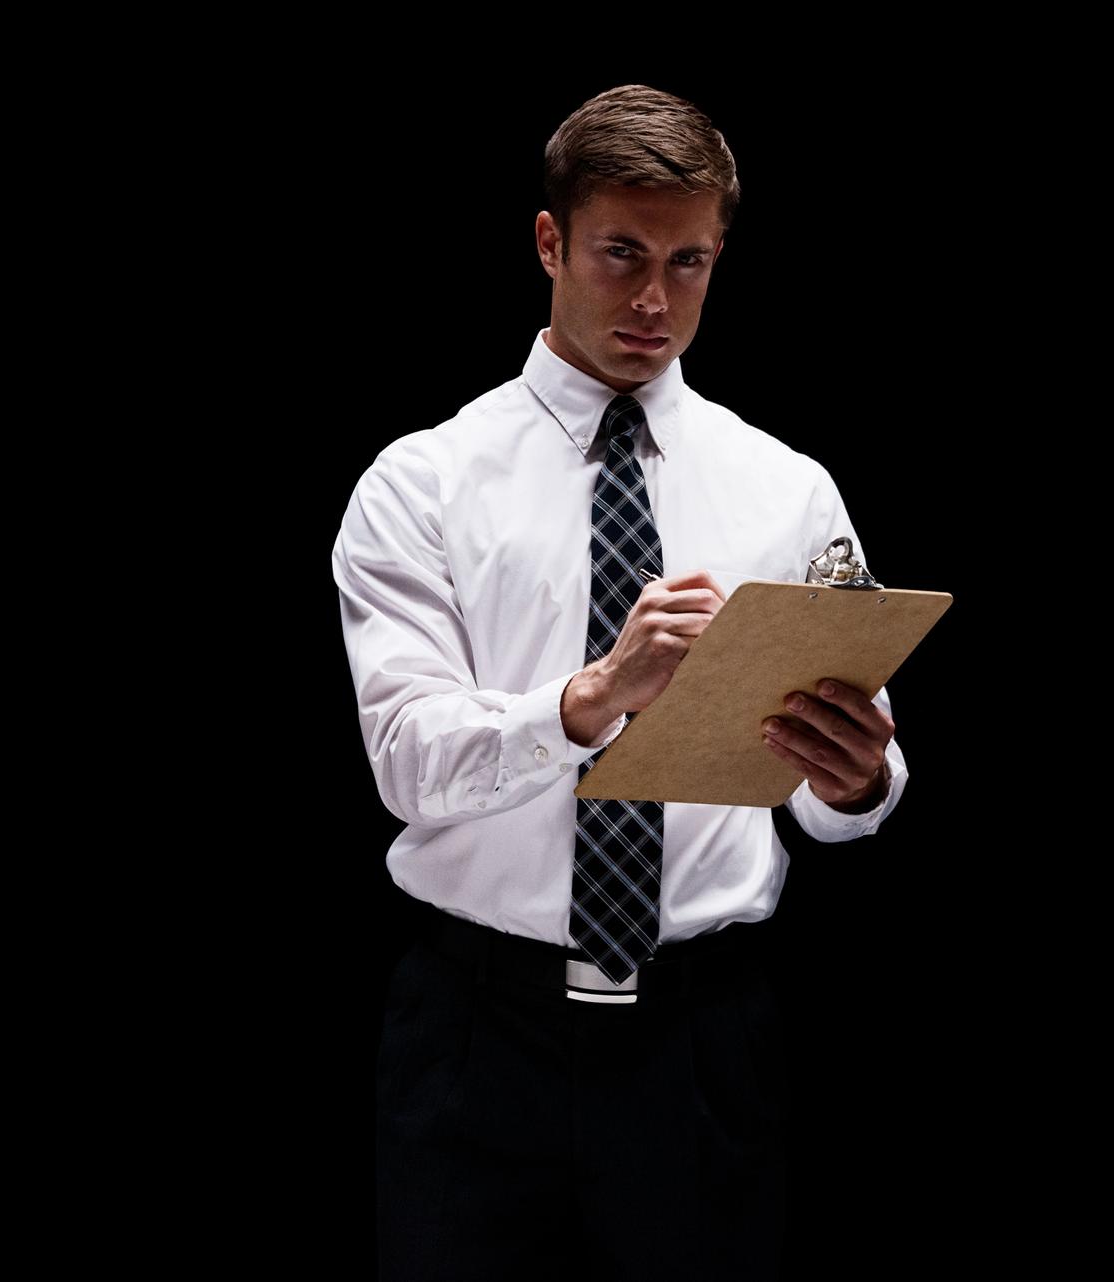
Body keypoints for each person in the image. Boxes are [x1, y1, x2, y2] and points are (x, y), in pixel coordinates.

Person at [331, 84, 908, 1281]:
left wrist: (858, 784)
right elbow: (408, 764)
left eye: (689, 261)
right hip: (477, 1036)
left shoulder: (787, 488)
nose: (655, 300)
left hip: (705, 1045)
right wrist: (590, 697)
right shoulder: (421, 484)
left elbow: (847, 782)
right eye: (621, 254)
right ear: (551, 242)